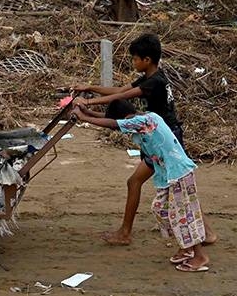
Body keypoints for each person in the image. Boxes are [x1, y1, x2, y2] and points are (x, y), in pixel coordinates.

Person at [72, 33, 216, 247]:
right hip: (159, 137)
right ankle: (207, 232)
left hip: (164, 140)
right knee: (178, 183)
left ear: (146, 60)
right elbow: (120, 90)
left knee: (150, 182)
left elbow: (120, 97)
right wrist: (90, 88)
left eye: (135, 58)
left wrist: (88, 104)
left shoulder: (155, 83)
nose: (133, 62)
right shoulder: (152, 78)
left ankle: (125, 233)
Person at [72, 100, 211, 272]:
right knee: (160, 209)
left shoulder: (144, 121)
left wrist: (83, 117)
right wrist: (88, 113)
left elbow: (114, 122)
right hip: (168, 175)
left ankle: (199, 255)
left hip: (179, 172)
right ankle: (187, 247)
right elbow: (113, 121)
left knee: (182, 214)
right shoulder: (142, 118)